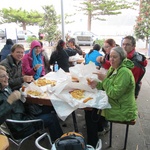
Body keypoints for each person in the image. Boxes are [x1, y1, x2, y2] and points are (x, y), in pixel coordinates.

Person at [86, 46, 138, 148]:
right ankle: (96, 136)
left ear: (122, 58)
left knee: (90, 114)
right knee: (91, 109)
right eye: (110, 57)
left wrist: (104, 79)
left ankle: (92, 144)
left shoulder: (124, 72)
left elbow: (114, 93)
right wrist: (97, 83)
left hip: (123, 109)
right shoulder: (114, 68)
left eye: (115, 57)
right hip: (116, 103)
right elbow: (107, 86)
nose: (111, 59)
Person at [0, 65, 63, 141]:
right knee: (52, 118)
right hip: (21, 127)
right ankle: (59, 144)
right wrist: (9, 102)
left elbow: (15, 103)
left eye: (7, 75)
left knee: (49, 107)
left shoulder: (5, 87)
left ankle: (53, 136)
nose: (7, 78)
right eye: (3, 76)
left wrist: (21, 97)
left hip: (26, 115)